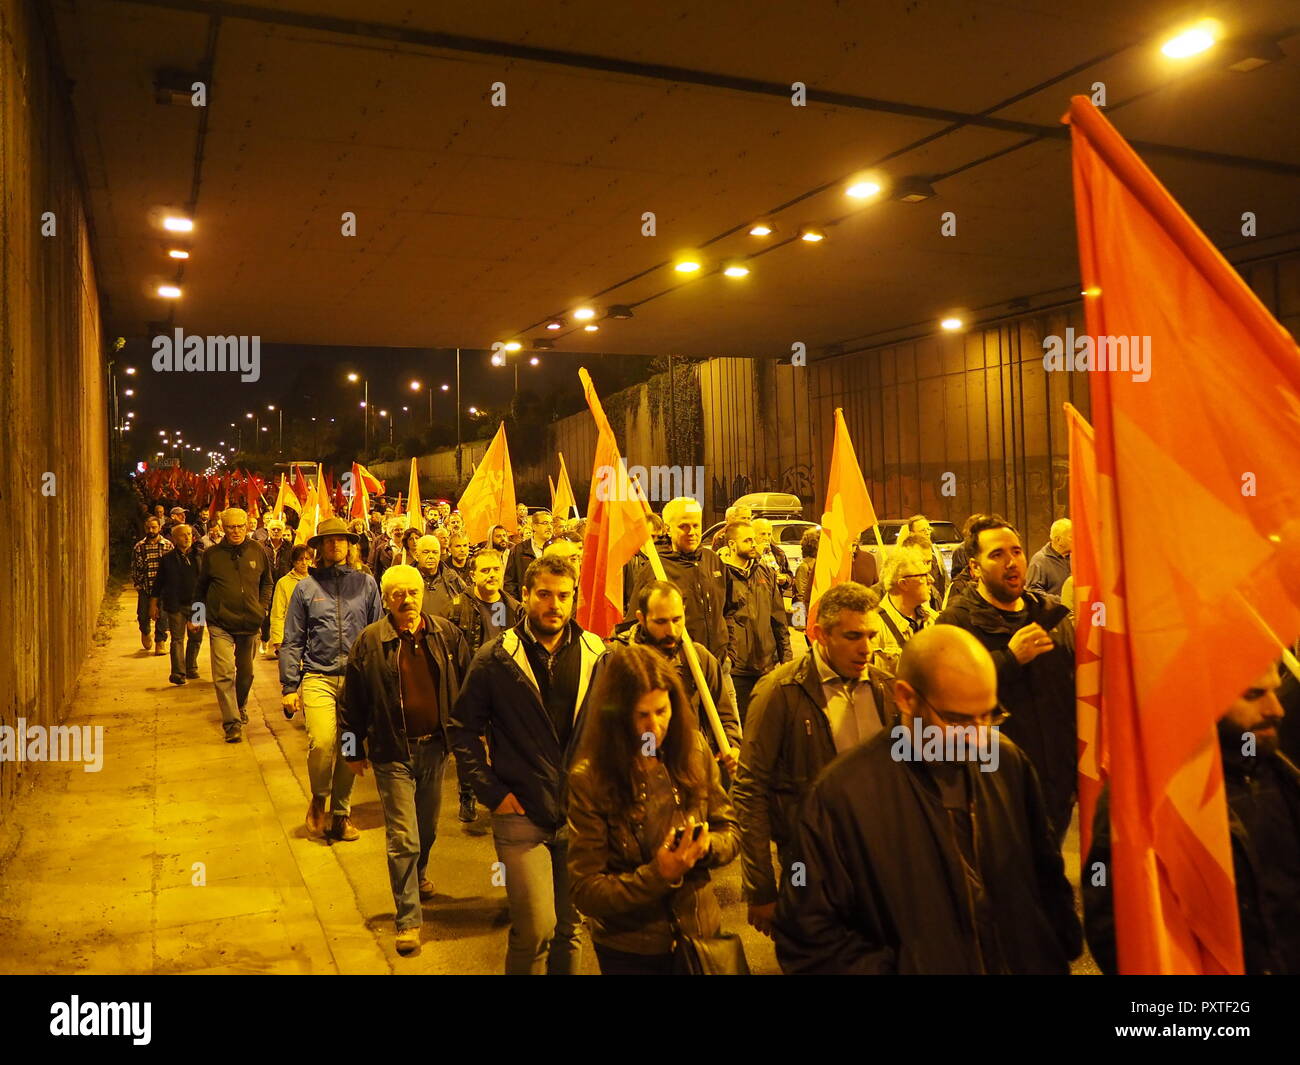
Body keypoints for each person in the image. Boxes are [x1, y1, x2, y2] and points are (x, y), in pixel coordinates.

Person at [773, 625, 1083, 974]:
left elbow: (1045, 874)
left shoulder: (1007, 763)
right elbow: (807, 937)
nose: (979, 738)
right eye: (957, 720)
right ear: (906, 697)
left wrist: (1052, 948)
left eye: (989, 716)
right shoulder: (842, 796)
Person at [449, 555, 609, 975]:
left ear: (574, 599)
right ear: (524, 596)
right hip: (521, 816)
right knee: (536, 927)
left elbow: (616, 730)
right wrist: (492, 793)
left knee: (571, 927)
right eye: (544, 594)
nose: (554, 604)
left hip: (580, 817)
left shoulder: (598, 654)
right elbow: (462, 729)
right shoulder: (496, 658)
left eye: (563, 596)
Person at [1084, 664, 1300, 975]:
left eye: (1275, 692)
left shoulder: (1279, 776)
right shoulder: (1145, 797)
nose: (1276, 709)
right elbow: (1111, 921)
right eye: (1254, 695)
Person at [567, 644, 741, 974]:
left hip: (700, 933)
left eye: (662, 711)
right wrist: (659, 874)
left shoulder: (693, 749)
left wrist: (705, 847)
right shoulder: (590, 778)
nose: (654, 726)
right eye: (642, 715)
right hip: (633, 948)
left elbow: (729, 829)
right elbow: (586, 891)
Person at [734, 581, 895, 938]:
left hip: (879, 860)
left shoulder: (886, 687)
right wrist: (759, 888)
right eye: (853, 636)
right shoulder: (780, 691)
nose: (866, 648)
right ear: (821, 634)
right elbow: (749, 790)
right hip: (808, 863)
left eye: (871, 635)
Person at [339, 564, 472, 957]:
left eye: (412, 592)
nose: (406, 600)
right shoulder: (369, 642)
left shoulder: (447, 634)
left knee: (427, 829)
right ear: (386, 599)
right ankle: (408, 919)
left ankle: (421, 874)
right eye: (397, 594)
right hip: (390, 752)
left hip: (435, 749)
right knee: (404, 837)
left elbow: (468, 685)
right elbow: (350, 703)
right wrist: (351, 750)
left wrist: (470, 733)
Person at [937, 514, 1076, 844]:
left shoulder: (1052, 616)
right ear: (974, 568)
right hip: (993, 787)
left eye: (1016, 552)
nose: (1011, 562)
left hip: (1055, 784)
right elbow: (946, 701)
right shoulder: (956, 623)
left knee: (1049, 877)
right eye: (997, 555)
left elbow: (1072, 694)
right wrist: (1009, 659)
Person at [280, 517, 383, 839]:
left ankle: (341, 814)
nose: (335, 545)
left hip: (355, 681)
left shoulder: (366, 584)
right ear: (319, 548)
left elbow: (377, 634)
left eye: (341, 540)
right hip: (318, 676)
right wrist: (289, 685)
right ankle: (319, 797)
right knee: (323, 742)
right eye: (328, 540)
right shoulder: (305, 589)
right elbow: (292, 639)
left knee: (348, 747)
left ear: (350, 545)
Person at [608, 581, 741, 778]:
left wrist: (732, 746)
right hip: (638, 772)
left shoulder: (698, 658)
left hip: (692, 771)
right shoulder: (620, 659)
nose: (671, 630)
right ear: (641, 618)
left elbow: (725, 714)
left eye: (677, 619)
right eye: (661, 622)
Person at [447, 547, 521, 823]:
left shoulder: (512, 608)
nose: (492, 575)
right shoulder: (456, 607)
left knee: (503, 745)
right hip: (470, 688)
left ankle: (502, 795)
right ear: (473, 574)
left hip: (504, 690)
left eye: (496, 570)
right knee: (470, 745)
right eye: (485, 570)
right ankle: (467, 794)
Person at [195, 507, 273, 743]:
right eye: (231, 527)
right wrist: (197, 618)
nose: (236, 531)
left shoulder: (258, 551)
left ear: (247, 526)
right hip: (220, 624)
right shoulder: (212, 555)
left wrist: (262, 608)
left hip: (249, 624)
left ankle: (240, 706)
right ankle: (232, 723)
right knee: (224, 674)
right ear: (223, 527)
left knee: (245, 675)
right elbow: (200, 588)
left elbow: (267, 583)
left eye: (240, 526)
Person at [624, 496, 728, 660]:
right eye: (683, 527)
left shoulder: (713, 560)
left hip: (720, 664)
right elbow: (635, 626)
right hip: (678, 667)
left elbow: (730, 609)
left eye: (696, 525)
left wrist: (730, 651)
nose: (692, 532)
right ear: (668, 529)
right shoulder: (654, 570)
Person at [722, 520, 791, 724]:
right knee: (742, 727)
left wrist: (786, 659)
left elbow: (779, 620)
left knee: (770, 725)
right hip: (737, 671)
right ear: (732, 545)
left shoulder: (766, 573)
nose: (754, 544)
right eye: (748, 540)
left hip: (767, 667)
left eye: (754, 539)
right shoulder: (721, 575)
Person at [874, 543, 936, 671]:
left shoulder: (933, 619)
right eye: (923, 576)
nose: (931, 580)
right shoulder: (874, 627)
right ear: (903, 584)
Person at [154, 524, 203, 684]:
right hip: (176, 604)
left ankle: (191, 667)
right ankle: (178, 672)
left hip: (199, 604)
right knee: (177, 639)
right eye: (183, 535)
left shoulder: (200, 556)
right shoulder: (167, 559)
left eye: (189, 534)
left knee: (196, 638)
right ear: (174, 539)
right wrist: (153, 604)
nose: (187, 537)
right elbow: (158, 583)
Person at [131, 515, 173, 654]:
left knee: (162, 615)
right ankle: (145, 631)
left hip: (164, 588)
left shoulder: (168, 545)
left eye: (154, 527)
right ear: (145, 528)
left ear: (159, 528)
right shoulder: (139, 547)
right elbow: (135, 567)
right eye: (148, 527)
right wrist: (138, 584)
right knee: (142, 615)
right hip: (145, 587)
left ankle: (160, 642)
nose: (151, 530)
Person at [269, 544, 313, 656]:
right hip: (291, 639)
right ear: (293, 561)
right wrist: (278, 641)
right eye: (300, 559)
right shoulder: (283, 583)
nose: (304, 563)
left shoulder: (318, 581)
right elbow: (277, 613)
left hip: (315, 639)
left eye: (307, 559)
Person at [259, 519, 294, 656]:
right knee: (266, 616)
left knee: (282, 615)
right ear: (268, 530)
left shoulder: (289, 547)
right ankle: (265, 639)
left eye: (279, 529)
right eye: (273, 529)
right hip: (266, 585)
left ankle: (279, 644)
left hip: (283, 585)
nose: (276, 532)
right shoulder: (261, 546)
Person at [504, 510, 552, 599]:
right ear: (534, 526)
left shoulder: (557, 548)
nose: (549, 527)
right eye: (545, 523)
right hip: (526, 605)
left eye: (551, 523)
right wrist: (516, 605)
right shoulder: (519, 550)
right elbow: (509, 581)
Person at [414, 534, 465, 617]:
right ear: (416, 555)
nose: (431, 556)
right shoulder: (407, 579)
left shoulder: (452, 578)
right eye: (426, 552)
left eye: (435, 552)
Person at [1026, 518, 1073, 596]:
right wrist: (1059, 601)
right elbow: (1033, 592)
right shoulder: (1040, 561)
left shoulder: (1075, 557)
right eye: (1072, 537)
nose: (1076, 539)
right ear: (1058, 540)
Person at [752, 518, 793, 591]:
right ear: (753, 535)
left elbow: (789, 575)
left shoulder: (778, 553)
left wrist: (785, 579)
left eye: (769, 534)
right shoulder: (748, 553)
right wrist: (758, 553)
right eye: (763, 534)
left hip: (775, 597)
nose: (766, 537)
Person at [792, 527, 819, 628]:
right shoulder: (804, 567)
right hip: (808, 616)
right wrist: (800, 621)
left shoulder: (818, 564)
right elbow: (800, 594)